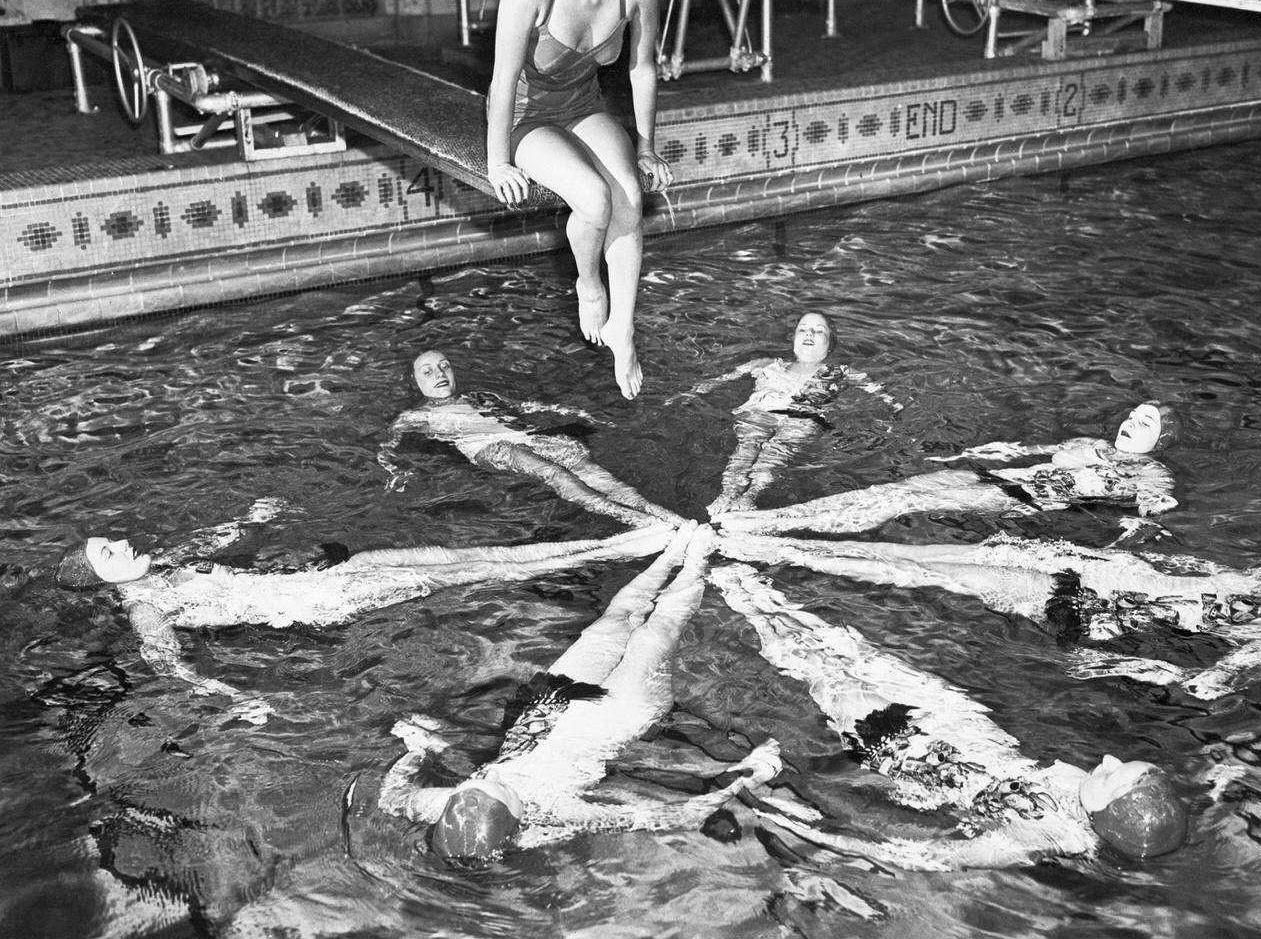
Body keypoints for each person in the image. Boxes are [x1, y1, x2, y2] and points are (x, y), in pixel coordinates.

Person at [708, 561, 1188, 869]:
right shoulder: (1091, 803)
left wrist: (805, 828)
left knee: (813, 667)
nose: (1106, 759)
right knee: (851, 647)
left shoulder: (1042, 838)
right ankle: (756, 587)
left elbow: (932, 856)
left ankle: (740, 600)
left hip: (904, 748)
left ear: (1108, 816)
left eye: (1111, 775)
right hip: (955, 718)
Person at [364, 524, 782, 859]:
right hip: (618, 716)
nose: (490, 774)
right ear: (519, 818)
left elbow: (393, 798)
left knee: (614, 622)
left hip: (549, 707)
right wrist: (747, 775)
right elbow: (666, 816)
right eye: (498, 786)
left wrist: (418, 749)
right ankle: (698, 560)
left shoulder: (447, 807)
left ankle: (669, 556)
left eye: (475, 783)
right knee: (657, 632)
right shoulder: (557, 814)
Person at [53, 500, 676, 720]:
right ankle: (637, 548)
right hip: (329, 600)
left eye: (112, 540)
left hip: (330, 577)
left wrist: (249, 520)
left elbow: (216, 547)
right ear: (102, 580)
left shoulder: (160, 566)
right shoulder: (147, 607)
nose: (121, 542)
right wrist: (232, 700)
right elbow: (166, 664)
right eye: (109, 552)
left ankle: (625, 544)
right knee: (482, 571)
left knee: (466, 556)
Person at [714, 531, 1261, 700]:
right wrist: (1100, 552)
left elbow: (1210, 684)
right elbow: (1184, 579)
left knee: (939, 574)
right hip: (1099, 576)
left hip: (1096, 610)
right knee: (936, 557)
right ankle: (780, 545)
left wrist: (1128, 666)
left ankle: (768, 555)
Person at [485, 0, 673, 400]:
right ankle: (589, 286)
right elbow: (502, 80)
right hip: (528, 116)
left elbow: (641, 69)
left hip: (583, 107)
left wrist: (646, 146)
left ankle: (623, 331)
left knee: (629, 193)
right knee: (593, 198)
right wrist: (498, 161)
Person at [714, 399, 1179, 536]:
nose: (1129, 422)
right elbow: (1024, 449)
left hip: (1020, 498)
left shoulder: (1152, 472)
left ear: (1161, 440)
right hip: (995, 478)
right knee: (892, 491)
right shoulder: (1092, 443)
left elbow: (1153, 505)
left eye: (1145, 423)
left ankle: (775, 524)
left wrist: (1148, 516)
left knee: (902, 502)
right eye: (1131, 415)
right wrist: (968, 456)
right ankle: (770, 520)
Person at [379, 350, 681, 527]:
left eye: (444, 366)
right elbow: (387, 445)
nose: (439, 374)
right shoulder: (417, 416)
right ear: (416, 382)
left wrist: (573, 413)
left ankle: (651, 509)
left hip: (525, 437)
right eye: (428, 371)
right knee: (554, 472)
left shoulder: (480, 396)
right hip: (490, 448)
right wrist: (394, 471)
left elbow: (525, 408)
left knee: (586, 466)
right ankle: (629, 518)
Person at [665, 311, 900, 517]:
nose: (810, 333)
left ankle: (752, 494)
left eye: (819, 330)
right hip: (761, 411)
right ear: (794, 339)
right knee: (746, 449)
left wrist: (894, 409)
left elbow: (878, 392)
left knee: (773, 454)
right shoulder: (765, 363)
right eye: (803, 329)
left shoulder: (841, 371)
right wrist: (689, 393)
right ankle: (728, 493)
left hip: (802, 416)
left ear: (830, 344)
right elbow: (720, 380)